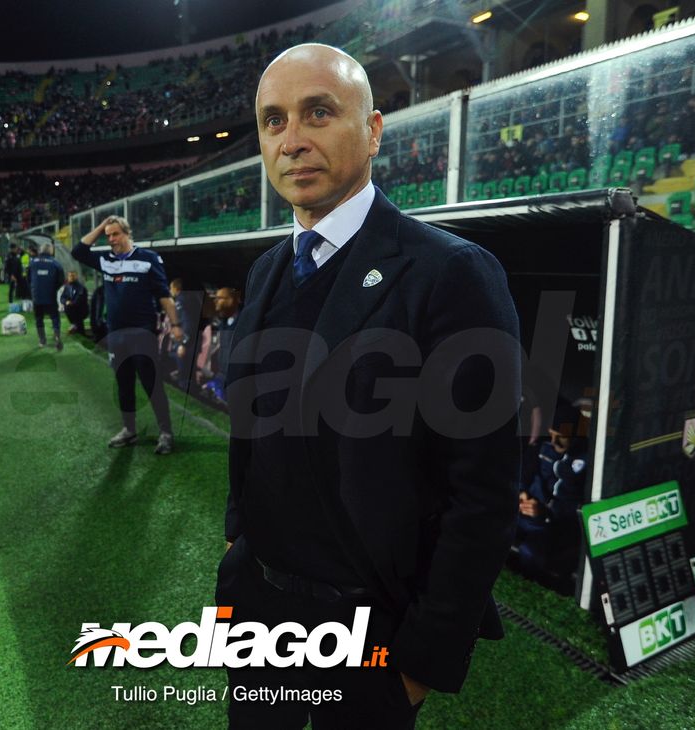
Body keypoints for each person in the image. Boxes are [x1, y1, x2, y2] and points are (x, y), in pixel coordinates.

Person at [218, 44, 521, 728]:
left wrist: (422, 660)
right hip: (258, 609)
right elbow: (256, 428)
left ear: (374, 129)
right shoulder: (266, 270)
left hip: (372, 630)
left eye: (318, 112)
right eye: (273, 121)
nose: (292, 140)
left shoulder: (451, 272)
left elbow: (483, 490)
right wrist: (239, 540)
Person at [72, 215, 182, 455]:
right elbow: (78, 251)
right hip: (116, 334)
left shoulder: (148, 258)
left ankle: (166, 432)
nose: (111, 239)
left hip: (142, 332)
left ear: (127, 233)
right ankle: (129, 430)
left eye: (116, 234)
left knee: (151, 383)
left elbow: (164, 295)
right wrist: (102, 226)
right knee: (123, 383)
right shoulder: (106, 259)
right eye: (108, 235)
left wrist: (175, 324)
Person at [514, 400, 587, 586]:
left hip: (554, 524)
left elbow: (577, 506)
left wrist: (544, 511)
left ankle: (532, 585)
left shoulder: (585, 462)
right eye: (552, 435)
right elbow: (525, 472)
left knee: (531, 552)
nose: (554, 442)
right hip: (528, 513)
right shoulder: (544, 446)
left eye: (560, 437)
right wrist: (522, 492)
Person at [29, 243, 66, 350]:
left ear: (40, 251)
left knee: (39, 318)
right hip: (51, 295)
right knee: (54, 317)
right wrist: (53, 288)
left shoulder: (32, 263)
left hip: (37, 296)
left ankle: (42, 340)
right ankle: (57, 337)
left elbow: (28, 279)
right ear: (51, 251)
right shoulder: (55, 263)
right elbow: (61, 280)